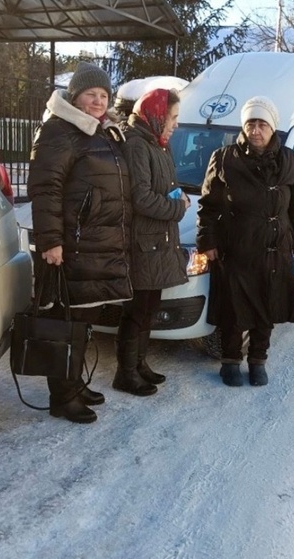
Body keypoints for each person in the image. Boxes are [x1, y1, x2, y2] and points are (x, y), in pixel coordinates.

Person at [27, 62, 133, 423]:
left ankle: (74, 384)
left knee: (83, 321)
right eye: (92, 94)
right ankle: (62, 397)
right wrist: (50, 241)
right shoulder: (60, 131)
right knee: (66, 322)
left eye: (104, 95)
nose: (99, 101)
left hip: (95, 244)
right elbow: (45, 188)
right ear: (76, 96)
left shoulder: (100, 132)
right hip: (70, 247)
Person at [196, 96, 294, 387]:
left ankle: (258, 360)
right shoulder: (224, 158)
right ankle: (230, 360)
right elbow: (208, 205)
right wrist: (207, 240)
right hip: (237, 247)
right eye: (250, 124)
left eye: (262, 124)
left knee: (268, 307)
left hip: (276, 248)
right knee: (233, 309)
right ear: (243, 127)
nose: (256, 130)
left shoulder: (290, 159)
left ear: (273, 128)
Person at [113, 88, 189, 396]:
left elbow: (166, 186)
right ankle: (125, 372)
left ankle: (139, 363)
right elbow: (141, 197)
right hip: (143, 243)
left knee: (149, 306)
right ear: (156, 115)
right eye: (172, 117)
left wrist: (177, 196)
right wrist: (178, 207)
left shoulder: (158, 143)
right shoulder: (137, 145)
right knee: (137, 309)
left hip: (159, 241)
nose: (175, 125)